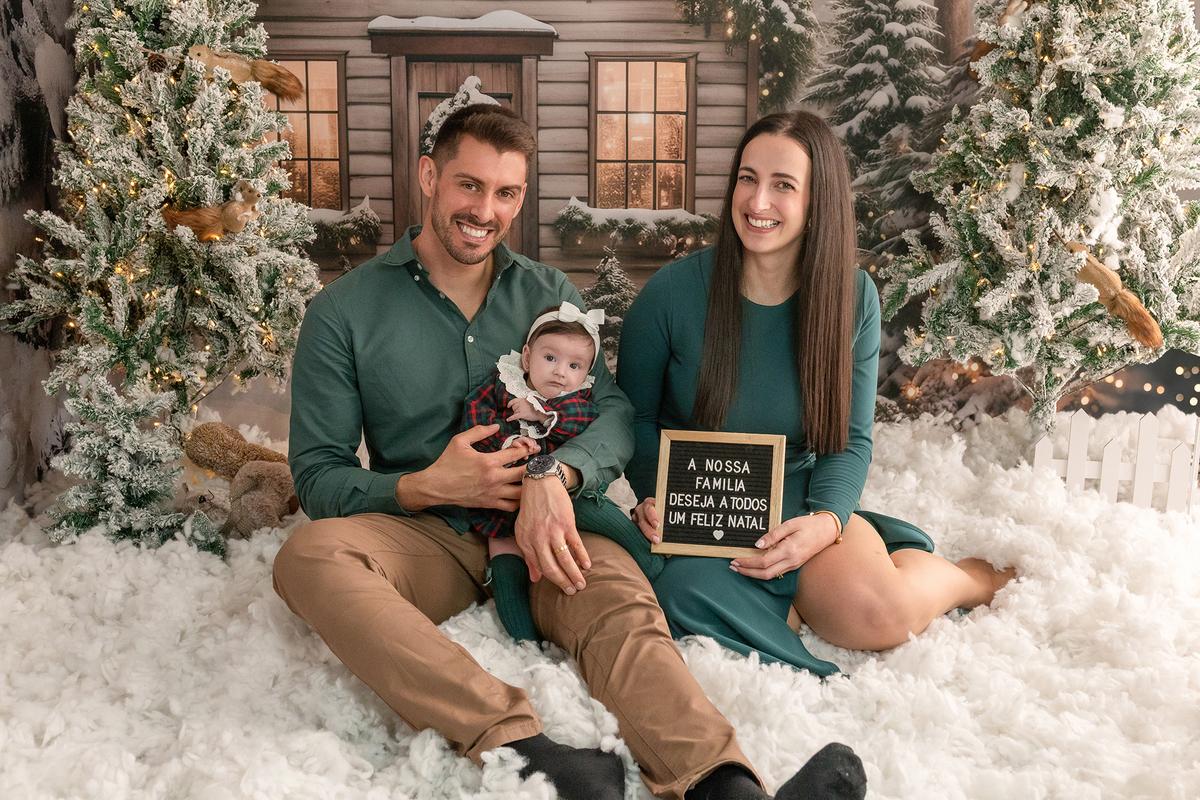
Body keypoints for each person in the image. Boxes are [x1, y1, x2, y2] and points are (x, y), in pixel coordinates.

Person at [275, 104, 867, 800]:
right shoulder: (343, 312)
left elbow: (615, 412)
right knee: (307, 559)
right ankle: (527, 751)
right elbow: (318, 476)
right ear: (429, 177)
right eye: (469, 185)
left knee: (622, 612)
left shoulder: (548, 293)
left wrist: (558, 473)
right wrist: (424, 487)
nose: (484, 210)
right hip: (426, 533)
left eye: (506, 193)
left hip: (554, 525)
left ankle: (724, 786)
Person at [618, 110, 1016, 676]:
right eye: (747, 178)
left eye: (783, 185)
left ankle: (968, 578)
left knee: (878, 616)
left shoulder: (852, 297)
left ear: (817, 200)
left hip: (797, 492)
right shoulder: (671, 295)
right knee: (679, 598)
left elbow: (849, 440)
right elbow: (632, 418)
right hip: (701, 501)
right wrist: (655, 492)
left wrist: (827, 521)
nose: (757, 203)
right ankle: (797, 607)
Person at [462, 301, 662, 641]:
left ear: (585, 374)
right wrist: (504, 447)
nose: (560, 372)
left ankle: (654, 563)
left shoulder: (573, 399)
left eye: (574, 365)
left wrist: (541, 414)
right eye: (550, 358)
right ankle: (523, 640)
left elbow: (582, 418)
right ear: (527, 357)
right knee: (508, 565)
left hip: (563, 493)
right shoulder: (503, 384)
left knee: (599, 514)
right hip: (504, 501)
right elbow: (475, 417)